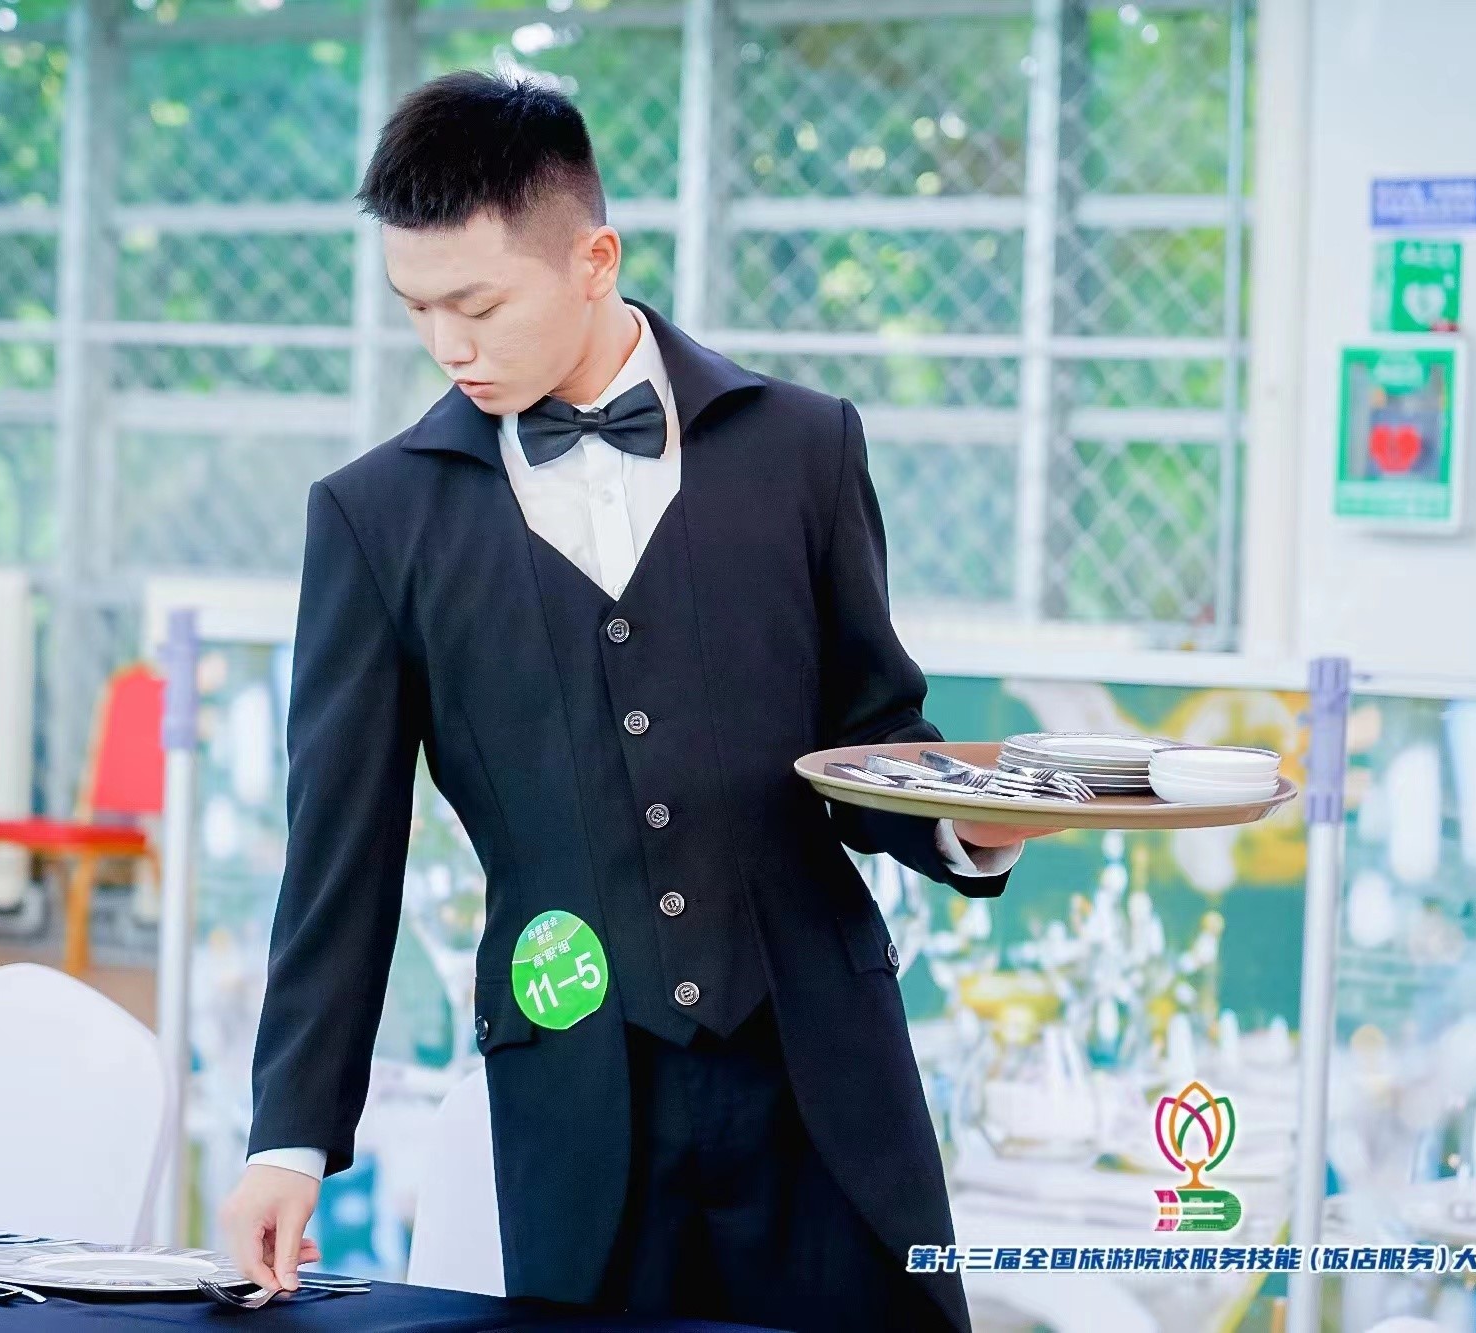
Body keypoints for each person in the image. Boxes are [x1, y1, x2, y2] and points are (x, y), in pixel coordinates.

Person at [222, 70, 1048, 1331]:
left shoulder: (803, 449)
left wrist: (962, 822)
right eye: (416, 309)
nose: (447, 346)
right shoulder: (373, 519)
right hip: (576, 1093)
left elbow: (871, 736)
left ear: (593, 259)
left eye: (477, 305)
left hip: (820, 1075)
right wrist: (288, 1138)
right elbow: (341, 852)